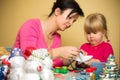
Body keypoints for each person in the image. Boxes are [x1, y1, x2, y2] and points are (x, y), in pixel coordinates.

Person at [13, 0, 84, 67]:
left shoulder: (57, 37)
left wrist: (72, 57)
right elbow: (28, 57)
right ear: (57, 11)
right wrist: (57, 52)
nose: (71, 23)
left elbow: (51, 64)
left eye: (73, 21)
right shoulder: (31, 26)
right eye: (69, 17)